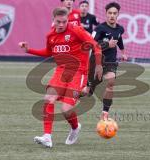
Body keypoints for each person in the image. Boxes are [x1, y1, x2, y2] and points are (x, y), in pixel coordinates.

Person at [19, 7, 102, 148]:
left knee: (65, 109)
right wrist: (29, 50)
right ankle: (47, 137)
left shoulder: (76, 30)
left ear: (68, 19)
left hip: (78, 72)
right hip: (61, 71)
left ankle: (75, 127)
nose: (62, 24)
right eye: (59, 22)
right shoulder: (50, 36)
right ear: (53, 20)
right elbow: (48, 52)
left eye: (64, 21)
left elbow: (96, 46)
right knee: (48, 98)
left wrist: (98, 65)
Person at [83, 2, 127, 120]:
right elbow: (91, 45)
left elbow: (119, 39)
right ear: (106, 14)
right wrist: (107, 44)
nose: (112, 15)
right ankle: (83, 89)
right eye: (110, 13)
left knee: (110, 82)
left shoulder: (120, 29)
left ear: (118, 14)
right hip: (97, 62)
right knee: (86, 92)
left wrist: (123, 52)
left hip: (111, 62)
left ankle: (105, 112)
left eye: (114, 13)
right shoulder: (99, 28)